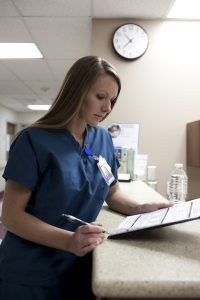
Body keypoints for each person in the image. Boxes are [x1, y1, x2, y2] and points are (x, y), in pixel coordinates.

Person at [0, 55, 170, 300]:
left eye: (112, 100)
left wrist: (141, 209)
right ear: (76, 92)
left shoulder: (102, 139)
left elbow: (112, 192)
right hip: (30, 274)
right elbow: (11, 216)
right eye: (100, 97)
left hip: (79, 267)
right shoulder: (33, 140)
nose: (107, 108)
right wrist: (69, 241)